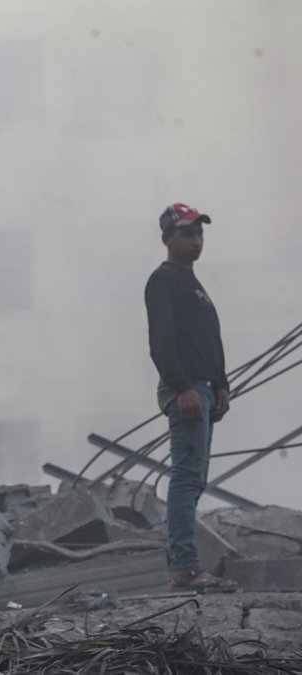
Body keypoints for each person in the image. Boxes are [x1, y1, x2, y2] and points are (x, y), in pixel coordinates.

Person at [144, 202, 237, 591]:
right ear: (167, 238)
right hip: (186, 388)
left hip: (204, 388)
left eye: (199, 233)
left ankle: (185, 565)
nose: (196, 240)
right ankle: (185, 569)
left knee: (195, 478)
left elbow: (208, 339)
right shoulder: (164, 280)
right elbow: (161, 342)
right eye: (187, 233)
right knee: (185, 477)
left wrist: (222, 384)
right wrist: (183, 387)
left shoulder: (192, 283)